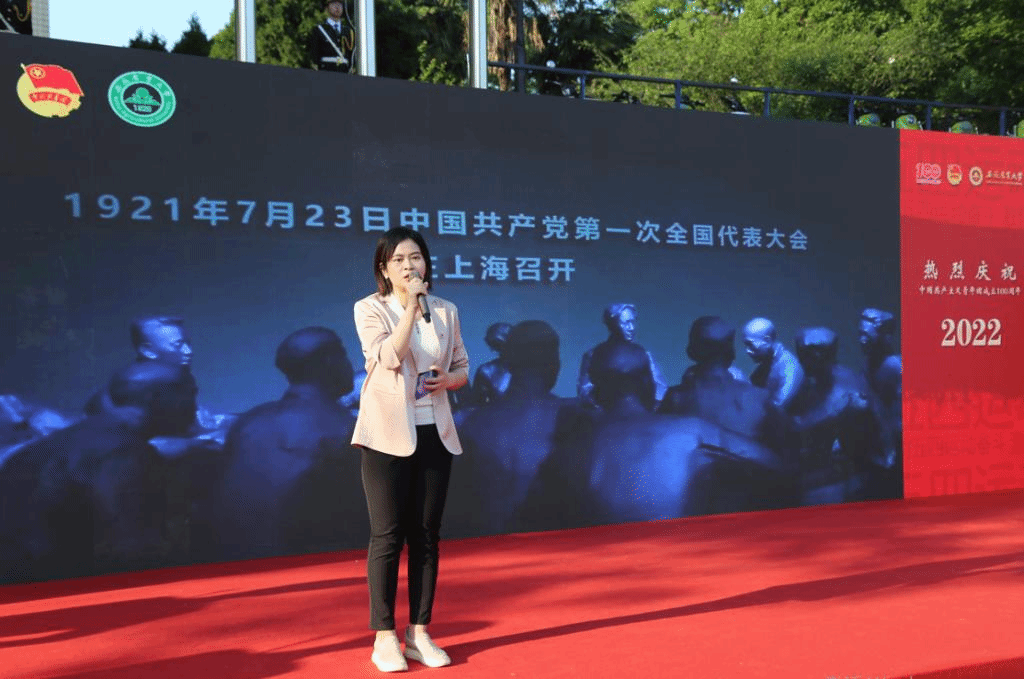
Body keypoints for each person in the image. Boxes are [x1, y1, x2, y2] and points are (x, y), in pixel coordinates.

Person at [351, 226, 469, 672]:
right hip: (386, 434)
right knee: (387, 534)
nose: (409, 266)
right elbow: (389, 357)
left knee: (426, 536)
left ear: (426, 263)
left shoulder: (447, 310)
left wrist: (449, 379)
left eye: (415, 257)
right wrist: (410, 309)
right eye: (398, 260)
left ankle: (419, 632)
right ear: (384, 269)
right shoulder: (369, 308)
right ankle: (384, 635)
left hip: (434, 431)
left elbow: (462, 366)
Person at [577, 303, 667, 408]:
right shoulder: (592, 355)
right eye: (626, 323)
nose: (631, 328)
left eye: (633, 322)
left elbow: (660, 389)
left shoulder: (645, 355)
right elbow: (585, 391)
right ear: (612, 324)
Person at [742, 317, 804, 410]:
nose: (747, 351)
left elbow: (780, 406)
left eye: (750, 344)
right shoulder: (767, 364)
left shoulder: (790, 367)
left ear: (767, 341)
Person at [308, 0, 355, 73]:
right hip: (326, 70)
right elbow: (314, 54)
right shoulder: (319, 30)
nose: (337, 7)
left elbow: (351, 55)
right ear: (327, 8)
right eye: (334, 4)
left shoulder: (348, 31)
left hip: (344, 71)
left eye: (340, 4)